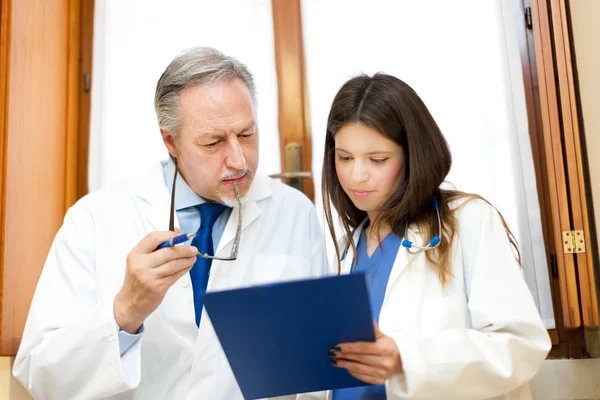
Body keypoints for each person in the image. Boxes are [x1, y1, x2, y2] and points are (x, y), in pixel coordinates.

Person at [13, 47, 328, 399]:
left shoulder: (295, 213)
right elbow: (40, 374)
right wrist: (125, 311)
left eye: (247, 135)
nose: (238, 159)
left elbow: (319, 372)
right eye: (214, 142)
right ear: (170, 141)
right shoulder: (95, 219)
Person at [304, 73, 551, 399]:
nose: (356, 175)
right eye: (344, 158)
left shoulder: (468, 222)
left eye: (377, 159)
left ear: (412, 156)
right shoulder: (342, 252)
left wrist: (405, 359)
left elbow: (517, 346)